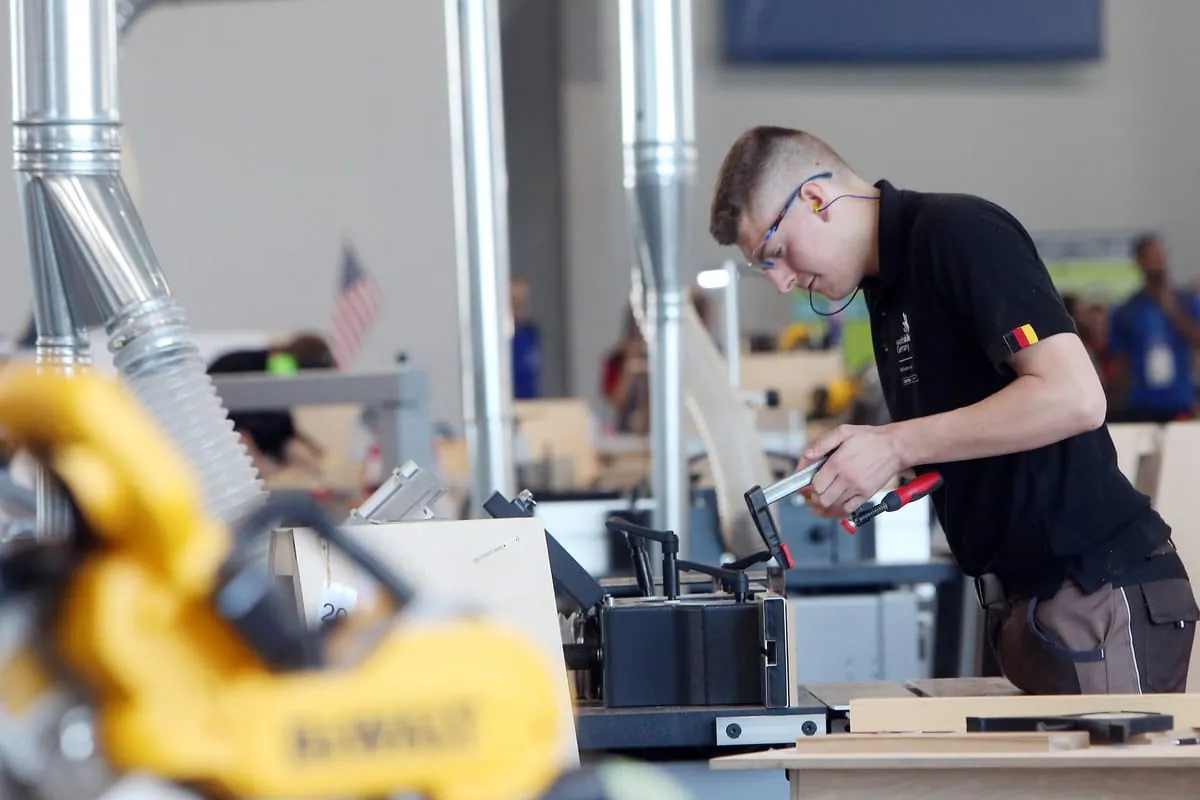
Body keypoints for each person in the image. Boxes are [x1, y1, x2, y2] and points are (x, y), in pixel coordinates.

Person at [708, 125, 1198, 695]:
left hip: (1094, 593)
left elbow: (1074, 396)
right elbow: (974, 432)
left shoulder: (955, 234)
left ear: (815, 200)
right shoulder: (887, 293)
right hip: (1024, 607)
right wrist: (869, 463)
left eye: (775, 253)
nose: (781, 281)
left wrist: (894, 444)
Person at [208, 332, 335, 477]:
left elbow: (282, 427)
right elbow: (239, 427)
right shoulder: (242, 367)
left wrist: (308, 450)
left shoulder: (273, 381)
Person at [1107, 234, 1200, 423]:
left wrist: (1171, 308)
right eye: (1150, 257)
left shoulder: (1186, 302)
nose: (1156, 263)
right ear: (1139, 262)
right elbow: (1120, 360)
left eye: (1159, 256)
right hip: (1141, 401)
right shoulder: (1126, 311)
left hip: (1180, 400)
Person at [510, 277, 543, 400]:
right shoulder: (500, 339)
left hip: (530, 400)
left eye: (523, 301)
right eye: (515, 301)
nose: (520, 306)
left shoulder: (532, 332)